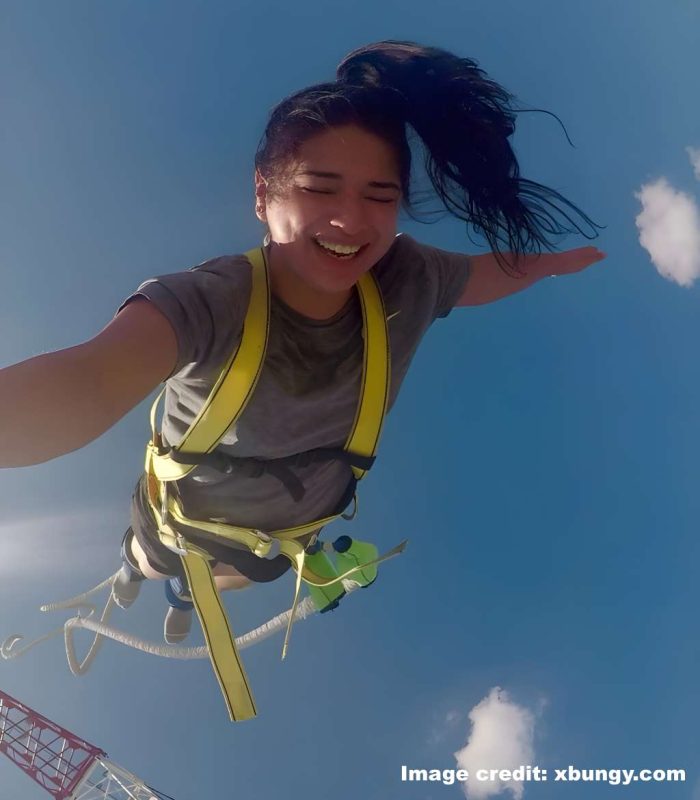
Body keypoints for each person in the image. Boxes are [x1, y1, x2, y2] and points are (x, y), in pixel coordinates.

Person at [0, 40, 605, 646]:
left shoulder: (409, 277)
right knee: (154, 558)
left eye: (380, 197)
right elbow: (89, 380)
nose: (352, 220)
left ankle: (182, 595)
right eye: (321, 189)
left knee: (223, 579)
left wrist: (553, 263)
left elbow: (482, 276)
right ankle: (134, 574)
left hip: (282, 537)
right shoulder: (212, 299)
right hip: (180, 517)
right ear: (264, 194)